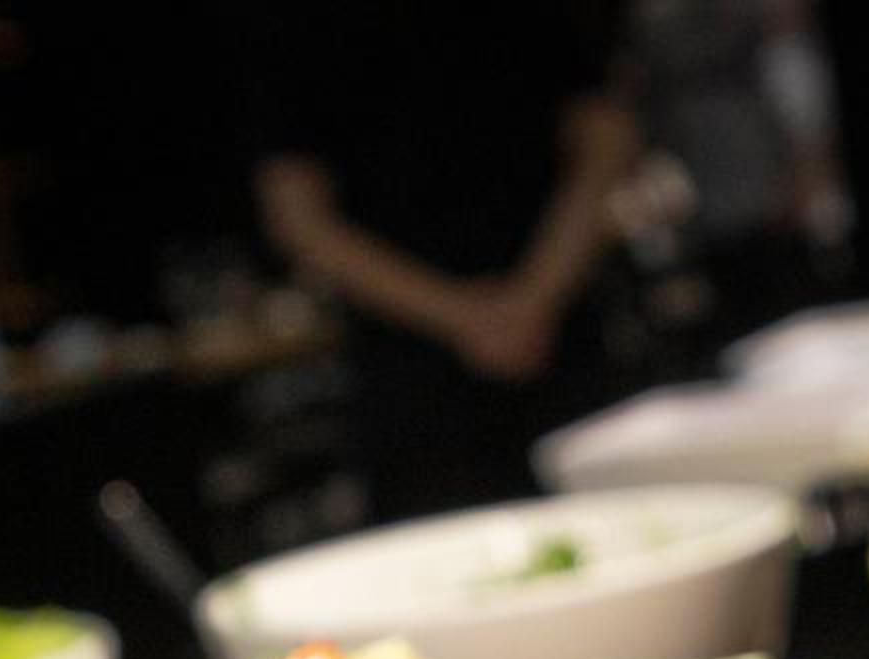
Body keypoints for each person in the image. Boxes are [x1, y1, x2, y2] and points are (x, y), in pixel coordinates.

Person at [238, 0, 637, 519]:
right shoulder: (295, 25)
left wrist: (515, 306)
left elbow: (605, 136)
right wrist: (519, 305)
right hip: (429, 369)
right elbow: (299, 219)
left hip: (543, 342)